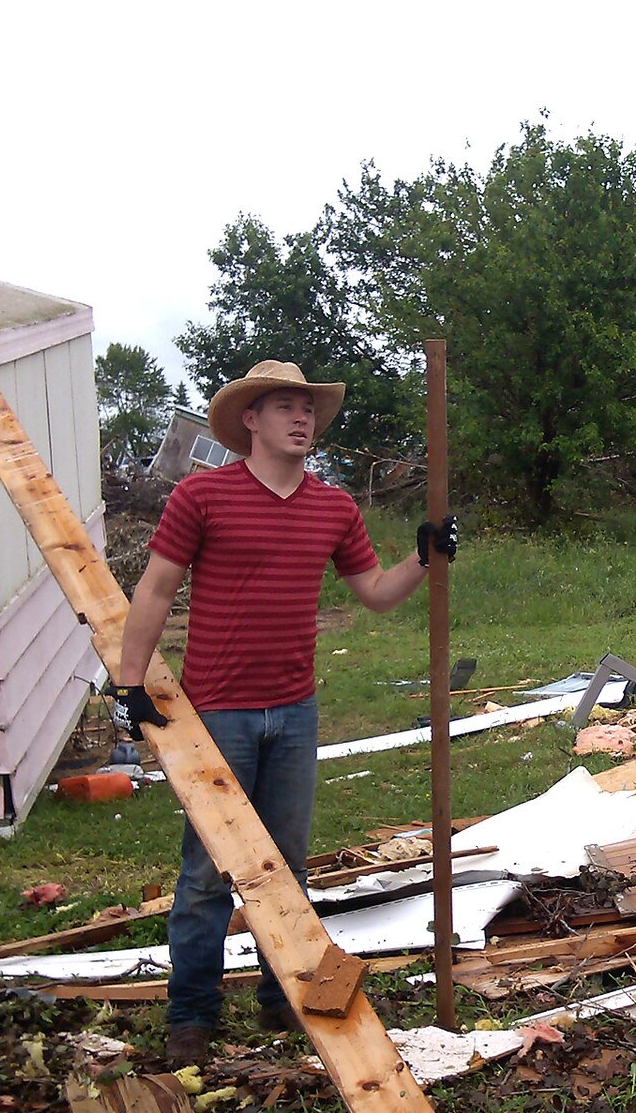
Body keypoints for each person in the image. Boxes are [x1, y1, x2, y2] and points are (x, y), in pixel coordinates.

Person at [110, 360, 458, 1070]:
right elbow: (153, 591)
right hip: (219, 714)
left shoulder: (332, 508)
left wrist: (422, 558)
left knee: (286, 867)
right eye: (284, 408)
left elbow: (374, 592)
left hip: (296, 712)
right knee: (208, 873)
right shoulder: (202, 496)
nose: (302, 420)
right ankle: (192, 1017)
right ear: (251, 420)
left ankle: (282, 997)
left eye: (308, 409)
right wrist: (128, 683)